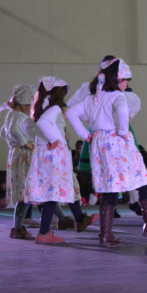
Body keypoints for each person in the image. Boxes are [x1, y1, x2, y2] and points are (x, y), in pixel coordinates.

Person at [67, 58, 147, 247]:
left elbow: (71, 112)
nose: (127, 84)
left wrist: (84, 134)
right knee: (143, 181)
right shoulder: (116, 96)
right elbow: (122, 113)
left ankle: (106, 234)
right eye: (127, 80)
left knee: (109, 186)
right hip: (118, 143)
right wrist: (122, 131)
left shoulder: (92, 98)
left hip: (99, 143)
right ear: (119, 79)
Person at [25, 77, 98, 244]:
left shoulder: (41, 107)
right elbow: (44, 124)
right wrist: (56, 139)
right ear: (57, 92)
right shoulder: (54, 109)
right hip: (54, 154)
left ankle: (45, 231)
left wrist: (46, 139)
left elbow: (30, 127)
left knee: (49, 194)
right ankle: (43, 234)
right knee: (52, 194)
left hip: (43, 152)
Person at [0, 84, 38, 238]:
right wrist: (24, 143)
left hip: (17, 155)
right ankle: (19, 227)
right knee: (28, 189)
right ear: (26, 104)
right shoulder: (19, 115)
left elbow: (3, 132)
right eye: (30, 105)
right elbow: (13, 129)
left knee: (26, 190)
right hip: (24, 156)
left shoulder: (12, 114)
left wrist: (12, 143)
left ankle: (19, 226)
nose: (31, 109)